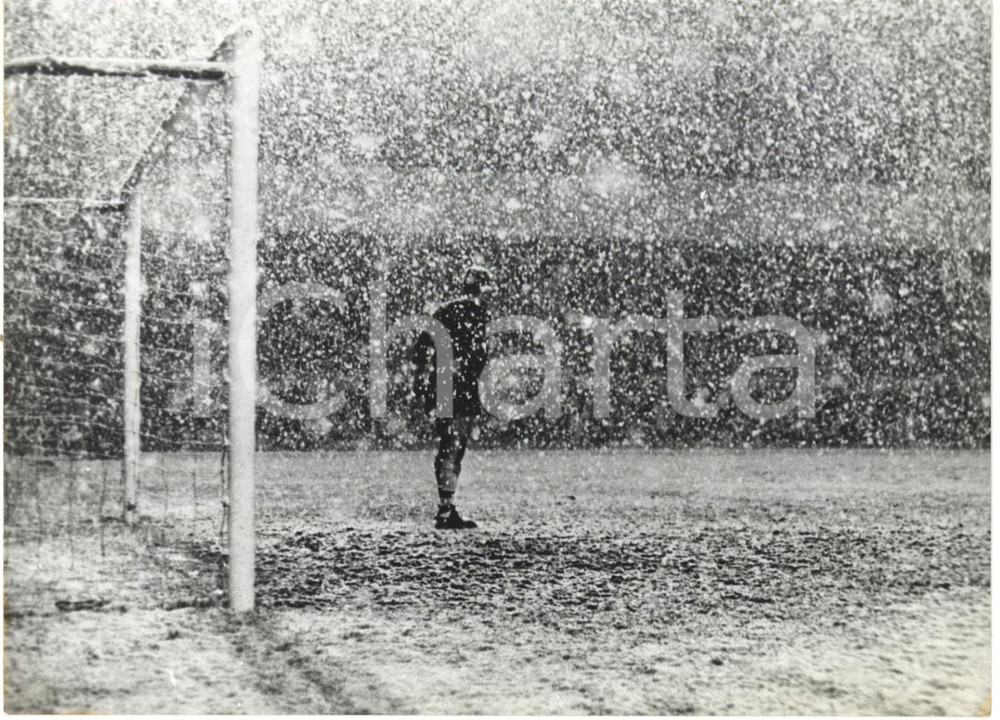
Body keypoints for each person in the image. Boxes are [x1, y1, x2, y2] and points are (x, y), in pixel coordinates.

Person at [412, 265, 493, 530]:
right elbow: (478, 355)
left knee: (448, 442)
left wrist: (424, 379)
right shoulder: (477, 313)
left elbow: (421, 346)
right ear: (483, 288)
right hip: (461, 385)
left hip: (443, 382)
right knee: (455, 445)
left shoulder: (445, 310)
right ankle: (446, 508)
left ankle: (445, 507)